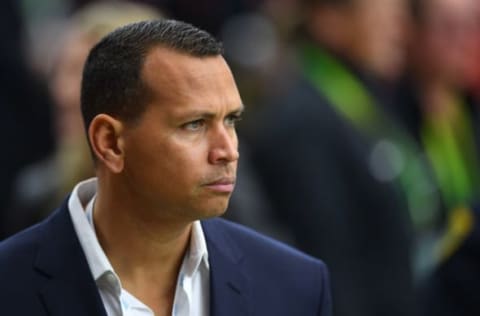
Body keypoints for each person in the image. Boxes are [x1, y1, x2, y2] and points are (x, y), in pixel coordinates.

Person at [0, 20, 332, 316]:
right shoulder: (10, 284)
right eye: (195, 124)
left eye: (231, 120)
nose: (228, 151)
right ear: (110, 142)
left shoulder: (295, 286)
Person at [248, 0, 425, 315]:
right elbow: (329, 267)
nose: (400, 30)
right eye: (383, 14)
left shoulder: (364, 97)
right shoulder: (301, 122)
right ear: (331, 20)